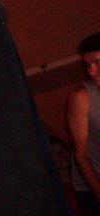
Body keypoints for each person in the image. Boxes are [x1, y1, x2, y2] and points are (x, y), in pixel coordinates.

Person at [67, 32, 100, 214]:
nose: (91, 72)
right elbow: (81, 156)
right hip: (92, 184)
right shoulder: (81, 98)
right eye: (88, 65)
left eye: (98, 63)